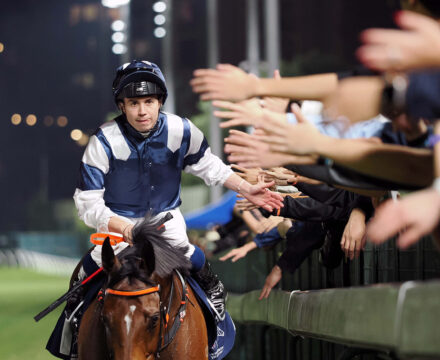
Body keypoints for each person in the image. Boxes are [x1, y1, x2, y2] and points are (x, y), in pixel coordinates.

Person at [48, 60, 283, 359]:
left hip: (166, 224)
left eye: (149, 101)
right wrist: (125, 228)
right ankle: (75, 332)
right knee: (84, 274)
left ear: (160, 101)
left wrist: (246, 188)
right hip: (118, 228)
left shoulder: (182, 130)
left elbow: (209, 166)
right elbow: (87, 202)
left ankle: (214, 306)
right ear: (122, 105)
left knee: (196, 259)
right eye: (134, 103)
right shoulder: (103, 141)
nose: (142, 111)